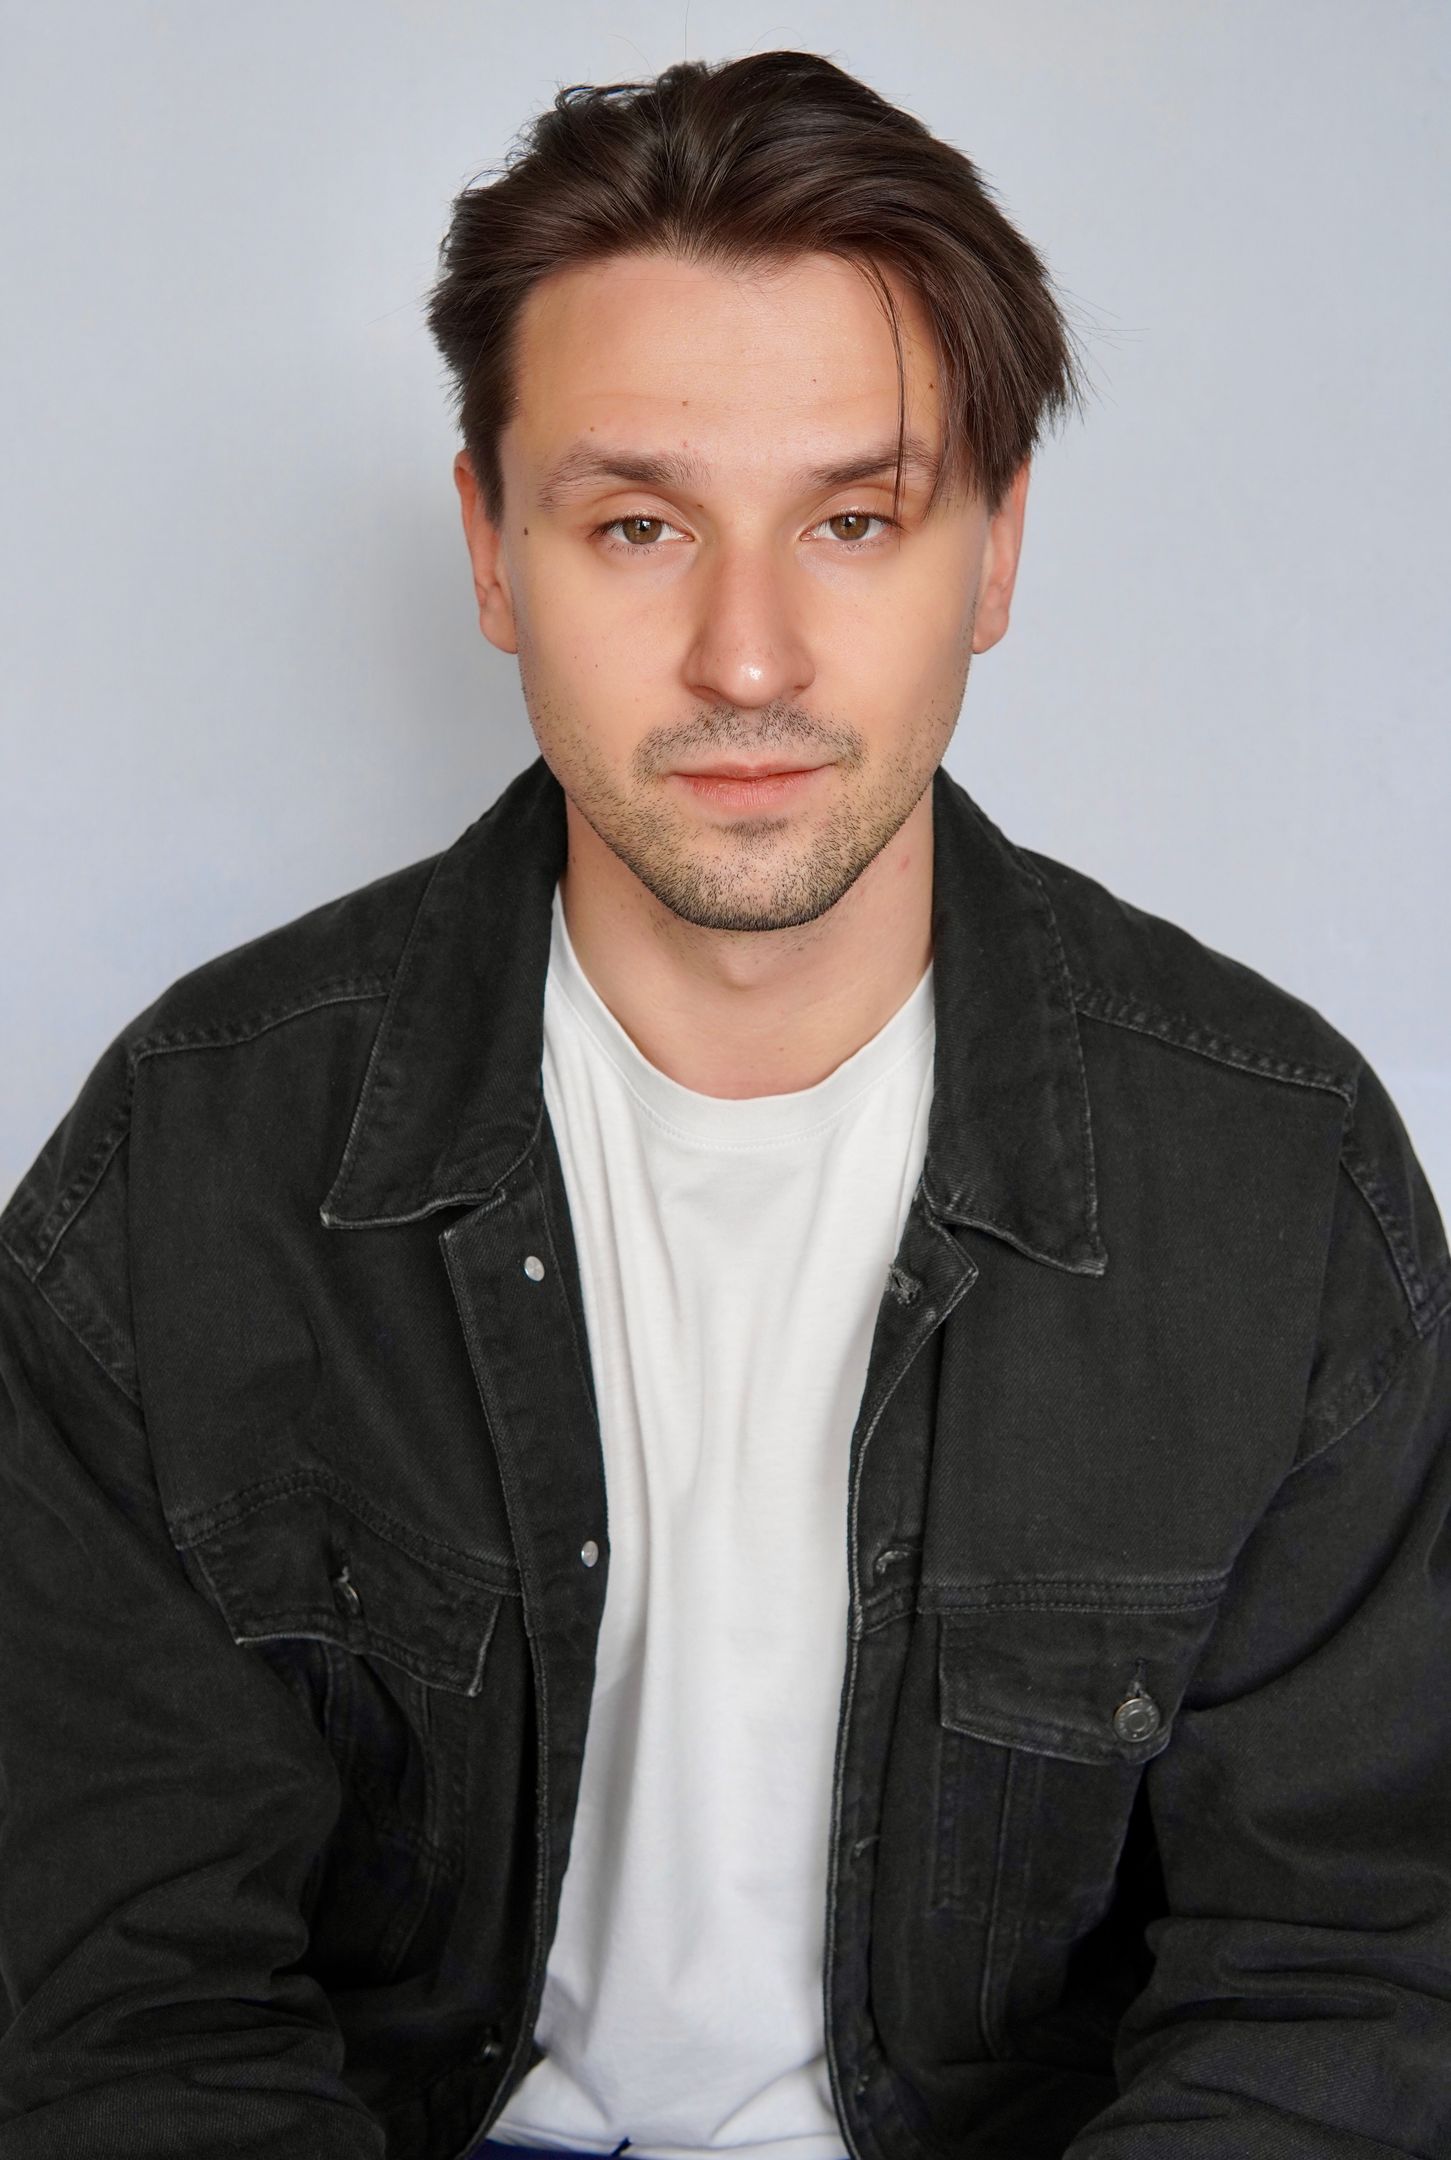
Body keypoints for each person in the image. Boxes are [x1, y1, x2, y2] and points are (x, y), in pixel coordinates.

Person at [0, 45, 1447, 2160]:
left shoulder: (1276, 1185)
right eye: (639, 524)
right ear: (493, 552)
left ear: (995, 555)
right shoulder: (190, 1166)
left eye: (854, 520)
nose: (747, 657)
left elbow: (1347, 1983)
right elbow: (120, 2004)